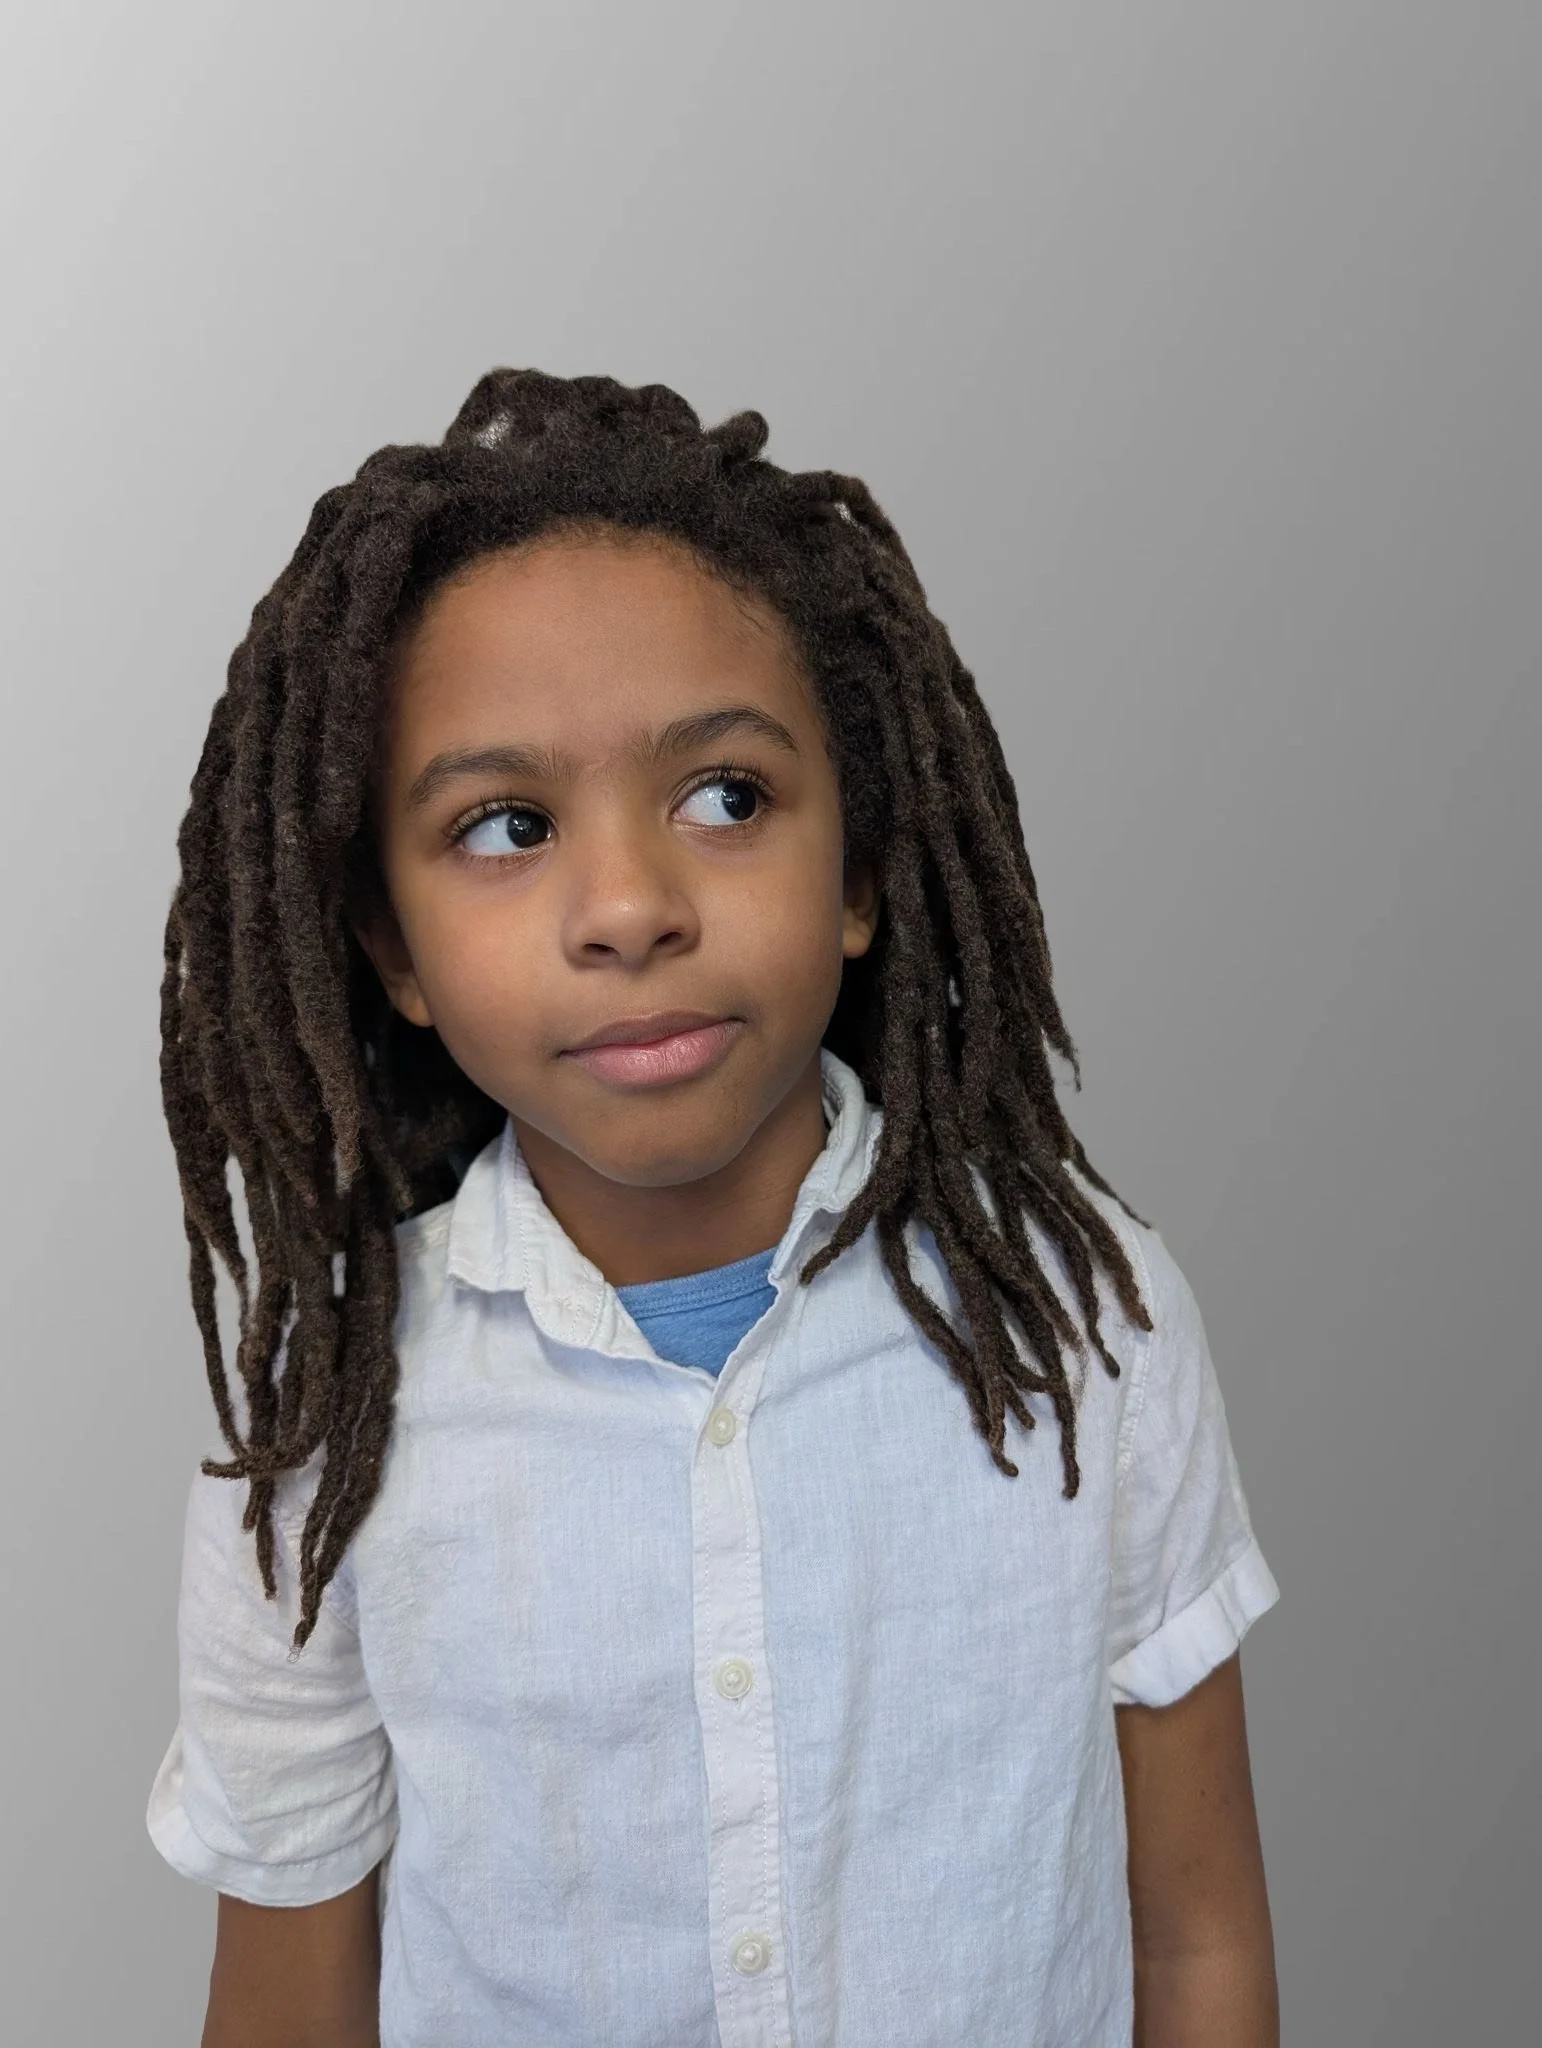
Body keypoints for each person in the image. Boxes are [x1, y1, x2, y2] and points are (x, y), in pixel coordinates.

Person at [146, 368, 1281, 2046]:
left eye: (725, 798)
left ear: (864, 874)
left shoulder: (1087, 1324)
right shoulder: (330, 1437)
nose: (627, 906)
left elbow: (1193, 1942)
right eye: (505, 826)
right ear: (387, 952)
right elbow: (289, 2007)